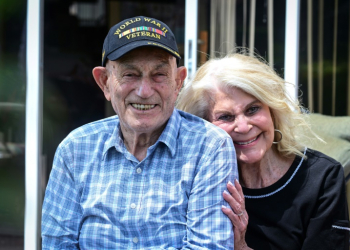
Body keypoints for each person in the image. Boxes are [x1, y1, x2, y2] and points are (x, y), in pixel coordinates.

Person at [41, 16, 237, 249]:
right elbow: (58, 244)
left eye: (159, 75)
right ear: (104, 82)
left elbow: (208, 247)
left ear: (178, 82)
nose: (144, 91)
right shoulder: (75, 149)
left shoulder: (209, 147)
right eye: (130, 74)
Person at [176, 52, 350, 250]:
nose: (243, 127)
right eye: (226, 117)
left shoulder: (322, 178)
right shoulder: (201, 181)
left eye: (253, 110)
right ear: (205, 126)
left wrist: (241, 247)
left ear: (272, 110)